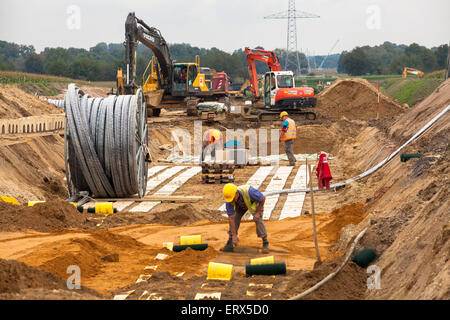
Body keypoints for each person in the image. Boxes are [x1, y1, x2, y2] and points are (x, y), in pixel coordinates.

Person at [221, 183, 269, 253]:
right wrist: (234, 235)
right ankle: (230, 243)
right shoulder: (229, 200)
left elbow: (263, 198)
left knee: (258, 219)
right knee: (235, 219)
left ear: (236, 193)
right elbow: (231, 218)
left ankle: (265, 242)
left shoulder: (250, 192)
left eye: (232, 198)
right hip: (241, 206)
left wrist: (258, 212)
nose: (231, 201)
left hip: (254, 204)